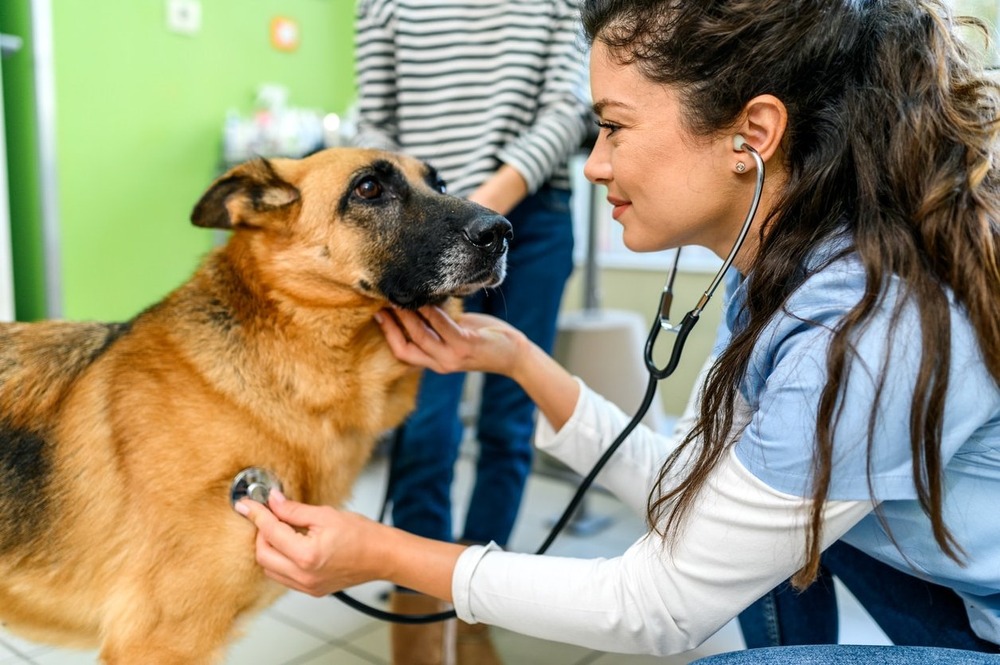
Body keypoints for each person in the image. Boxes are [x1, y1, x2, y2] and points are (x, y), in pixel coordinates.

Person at [236, 0, 1000, 660]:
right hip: (938, 570)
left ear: (753, 134)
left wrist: (380, 552)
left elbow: (659, 606)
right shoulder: (777, 267)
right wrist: (522, 362)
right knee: (743, 538)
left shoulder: (865, 327)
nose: (594, 165)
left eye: (612, 127)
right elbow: (696, 491)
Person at [348, 1, 589, 663]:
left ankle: (482, 591)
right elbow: (374, 120)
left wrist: (480, 211)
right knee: (425, 425)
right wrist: (430, 215)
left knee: (508, 421)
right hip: (419, 218)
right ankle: (421, 590)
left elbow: (569, 108)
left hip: (528, 213)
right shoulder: (385, 6)